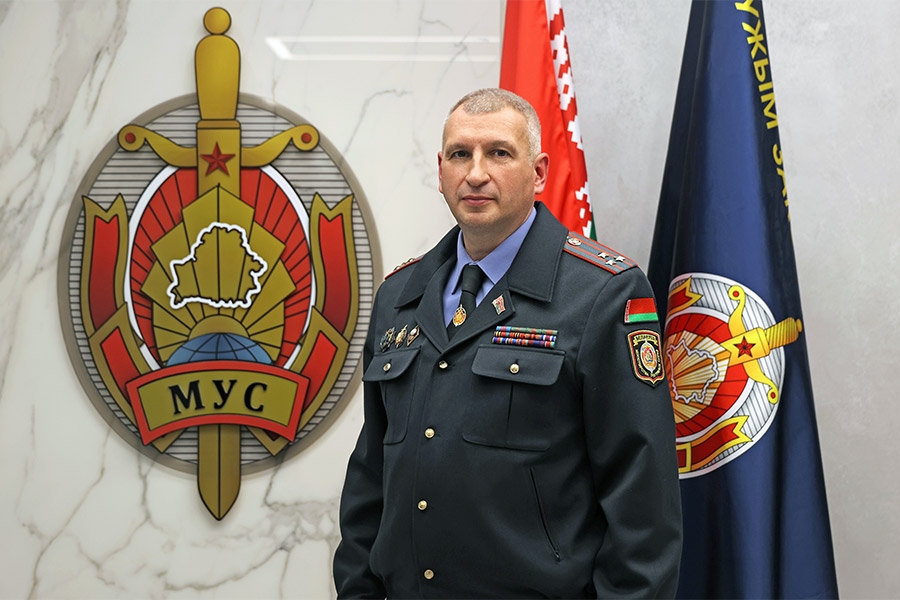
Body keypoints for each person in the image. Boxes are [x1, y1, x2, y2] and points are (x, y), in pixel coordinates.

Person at [333, 88, 682, 598]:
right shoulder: (400, 295)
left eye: (498, 153)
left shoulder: (602, 293)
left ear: (538, 173)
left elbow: (643, 502)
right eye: (460, 154)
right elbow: (371, 477)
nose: (476, 174)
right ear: (440, 171)